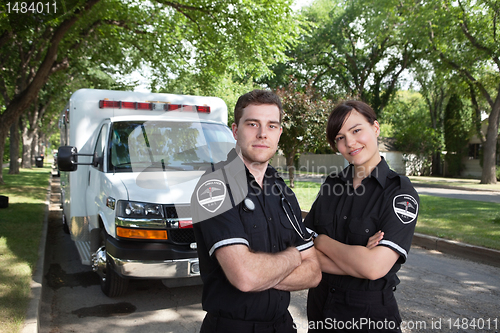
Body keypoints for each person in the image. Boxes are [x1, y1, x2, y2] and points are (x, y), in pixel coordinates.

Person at [191, 89, 322, 333]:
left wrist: (262, 272)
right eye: (253, 124)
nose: (263, 134)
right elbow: (245, 277)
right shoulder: (214, 186)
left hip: (282, 325)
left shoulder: (284, 193)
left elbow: (313, 272)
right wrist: (294, 257)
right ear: (235, 130)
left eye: (272, 126)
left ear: (279, 133)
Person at [304, 100, 419, 332]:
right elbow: (301, 253)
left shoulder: (399, 193)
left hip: (368, 318)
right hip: (320, 310)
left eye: (356, 130)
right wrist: (357, 257)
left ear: (375, 128)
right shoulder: (331, 185)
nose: (350, 142)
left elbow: (373, 269)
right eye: (340, 137)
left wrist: (322, 241)